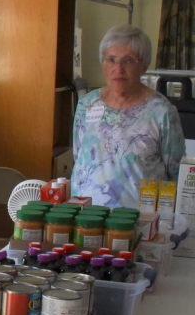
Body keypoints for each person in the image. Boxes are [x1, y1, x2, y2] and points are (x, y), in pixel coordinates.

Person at [71, 25, 186, 209]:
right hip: (86, 217)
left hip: (139, 221)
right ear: (103, 63)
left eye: (129, 60)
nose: (118, 68)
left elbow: (176, 172)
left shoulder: (162, 111)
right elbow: (78, 156)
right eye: (111, 59)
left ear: (144, 66)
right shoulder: (86, 104)